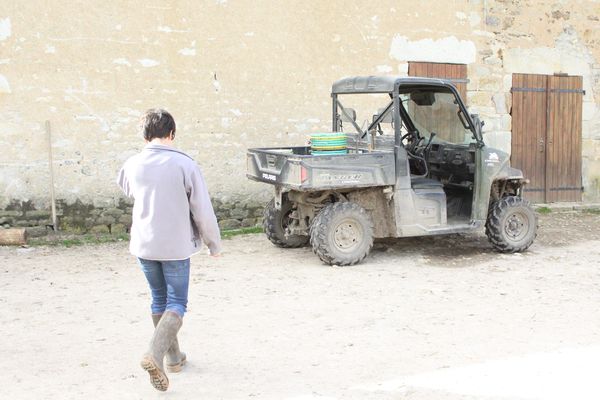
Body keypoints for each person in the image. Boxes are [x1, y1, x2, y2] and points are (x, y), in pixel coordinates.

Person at [117, 108, 222, 391]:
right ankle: (155, 353)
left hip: (143, 245)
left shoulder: (131, 164)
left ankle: (174, 358)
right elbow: (202, 209)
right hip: (175, 246)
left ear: (145, 135)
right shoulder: (185, 165)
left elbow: (128, 190)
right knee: (176, 303)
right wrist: (214, 243)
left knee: (158, 299)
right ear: (172, 134)